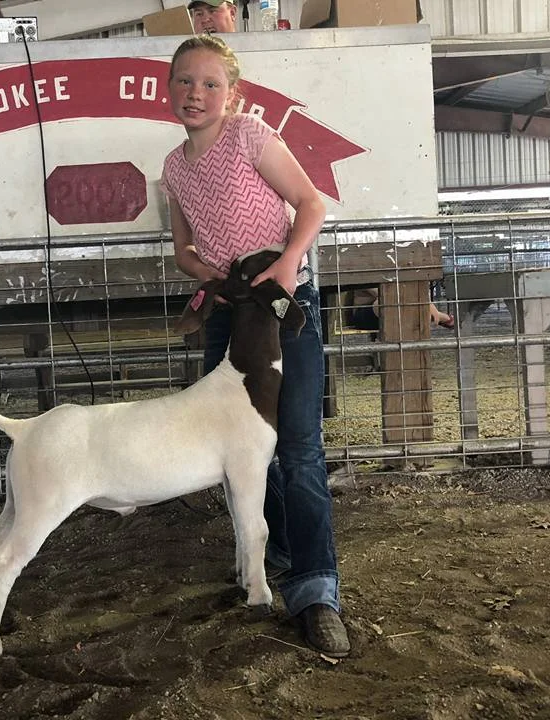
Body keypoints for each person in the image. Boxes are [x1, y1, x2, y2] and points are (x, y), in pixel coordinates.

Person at [160, 34, 350, 658]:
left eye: (210, 84)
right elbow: (183, 249)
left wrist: (289, 264)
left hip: (283, 309)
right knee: (247, 449)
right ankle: (271, 560)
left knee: (297, 445)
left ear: (232, 93)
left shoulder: (248, 135)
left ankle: (317, 591)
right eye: (185, 81)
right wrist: (207, 272)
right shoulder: (174, 167)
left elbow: (310, 204)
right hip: (228, 313)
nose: (196, 93)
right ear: (169, 87)